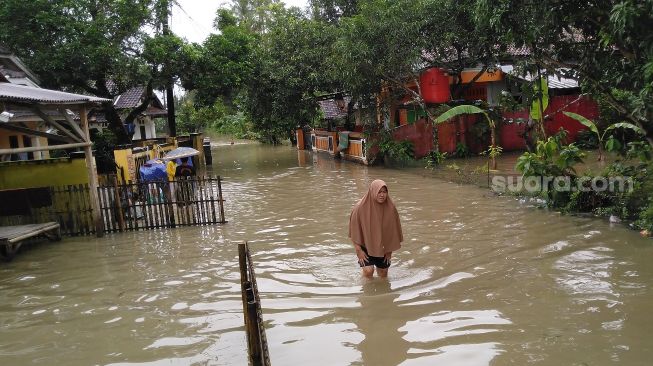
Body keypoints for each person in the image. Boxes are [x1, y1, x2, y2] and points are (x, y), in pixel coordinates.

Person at [348, 179, 403, 278]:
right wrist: (358, 251)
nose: (382, 195)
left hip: (383, 247)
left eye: (384, 192)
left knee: (383, 273)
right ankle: (366, 290)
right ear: (373, 191)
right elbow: (354, 231)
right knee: (369, 272)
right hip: (365, 246)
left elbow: (393, 231)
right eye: (379, 192)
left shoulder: (391, 207)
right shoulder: (359, 207)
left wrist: (389, 251)